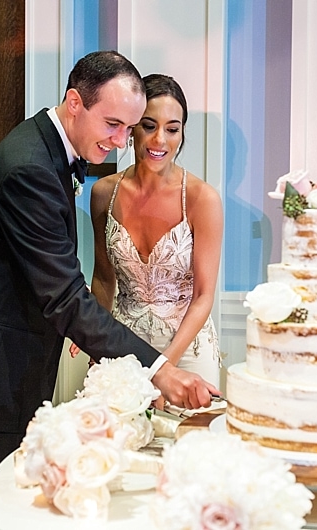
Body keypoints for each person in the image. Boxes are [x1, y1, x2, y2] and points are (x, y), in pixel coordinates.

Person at [0, 51, 217, 530]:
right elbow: (63, 295)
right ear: (75, 102)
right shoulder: (29, 168)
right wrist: (159, 370)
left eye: (129, 127)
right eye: (115, 124)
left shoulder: (49, 148)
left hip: (11, 363)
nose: (123, 142)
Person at [87, 73, 223, 388]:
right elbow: (104, 279)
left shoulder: (202, 199)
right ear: (132, 128)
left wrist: (164, 368)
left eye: (172, 129)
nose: (160, 140)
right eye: (149, 126)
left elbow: (204, 295)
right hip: (123, 347)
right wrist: (94, 337)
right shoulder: (104, 193)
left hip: (186, 349)